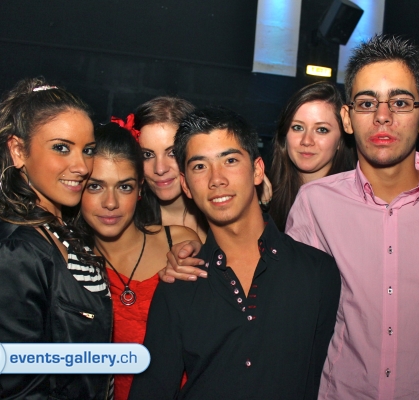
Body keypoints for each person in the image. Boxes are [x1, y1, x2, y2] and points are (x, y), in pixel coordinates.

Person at [164, 35, 419, 398]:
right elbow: (278, 315)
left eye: (400, 102)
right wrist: (195, 251)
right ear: (348, 119)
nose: (382, 117)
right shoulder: (315, 204)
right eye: (367, 103)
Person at [128, 107, 341, 399]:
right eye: (199, 166)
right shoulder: (178, 286)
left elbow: (328, 381)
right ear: (186, 185)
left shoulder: (317, 272)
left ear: (257, 170)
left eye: (229, 160)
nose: (216, 179)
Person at [0, 77, 112, 399]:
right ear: (18, 150)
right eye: (61, 148)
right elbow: (23, 391)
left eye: (88, 150)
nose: (81, 166)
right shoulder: (16, 253)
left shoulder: (64, 230)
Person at [75, 122, 200, 400]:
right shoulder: (72, 264)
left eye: (124, 186)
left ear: (140, 188)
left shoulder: (179, 242)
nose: (110, 203)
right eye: (95, 186)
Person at [111, 97, 208, 241]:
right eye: (147, 155)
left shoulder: (224, 210)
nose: (160, 169)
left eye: (172, 153)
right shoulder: (123, 225)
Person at [269, 81, 354, 230]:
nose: (306, 141)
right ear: (285, 135)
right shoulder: (264, 199)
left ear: (340, 140)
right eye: (298, 127)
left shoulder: (355, 205)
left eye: (321, 130)